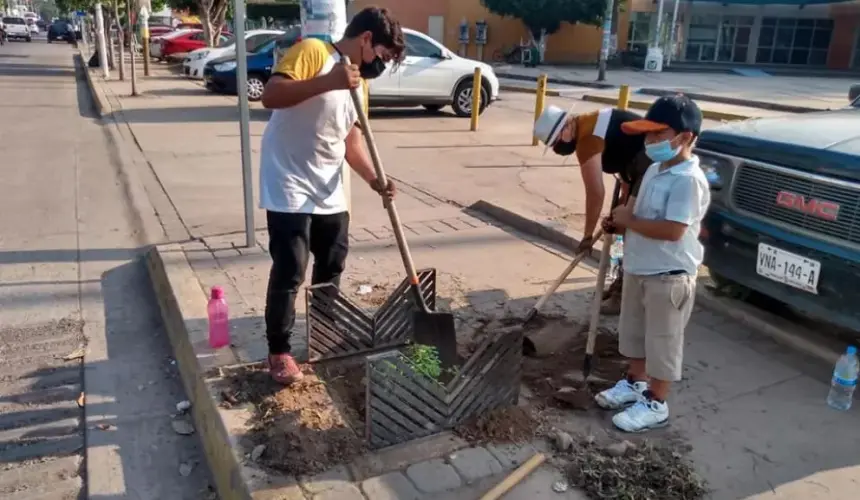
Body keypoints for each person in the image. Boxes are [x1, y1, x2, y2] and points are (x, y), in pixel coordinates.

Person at [258, 7, 404, 385]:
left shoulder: (360, 84)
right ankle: (279, 351)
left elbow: (350, 140)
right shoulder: (312, 53)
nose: (380, 65)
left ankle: (323, 334)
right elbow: (271, 95)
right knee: (291, 267)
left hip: (327, 184)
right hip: (288, 180)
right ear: (366, 39)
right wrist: (331, 81)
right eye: (382, 56)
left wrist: (375, 179)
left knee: (332, 262)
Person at [593, 94, 710, 433]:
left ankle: (656, 403)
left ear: (684, 137)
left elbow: (674, 230)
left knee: (663, 340)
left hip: (668, 275)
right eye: (647, 135)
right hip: (640, 268)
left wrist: (629, 220)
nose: (651, 142)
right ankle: (635, 383)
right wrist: (619, 223)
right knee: (635, 334)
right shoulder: (656, 169)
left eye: (658, 135)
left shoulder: (688, 180)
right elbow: (639, 215)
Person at [550, 107, 653, 314]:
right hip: (638, 168)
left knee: (631, 234)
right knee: (622, 230)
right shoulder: (591, 118)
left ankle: (625, 296)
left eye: (556, 139)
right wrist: (622, 206)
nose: (557, 146)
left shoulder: (587, 139)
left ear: (567, 125)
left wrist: (587, 236)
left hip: (650, 167)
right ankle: (621, 286)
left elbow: (596, 193)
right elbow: (625, 159)